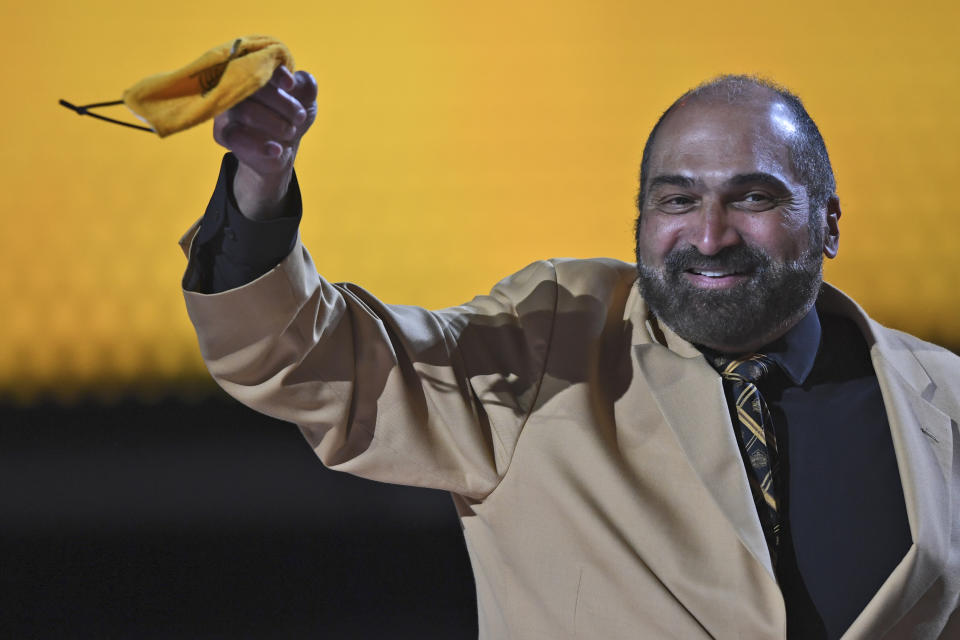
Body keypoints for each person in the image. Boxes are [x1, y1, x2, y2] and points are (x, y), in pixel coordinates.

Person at [180, 67, 960, 639]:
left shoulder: (943, 401)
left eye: (753, 197)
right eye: (677, 199)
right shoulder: (554, 337)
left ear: (827, 223)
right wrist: (262, 186)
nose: (711, 233)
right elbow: (319, 363)